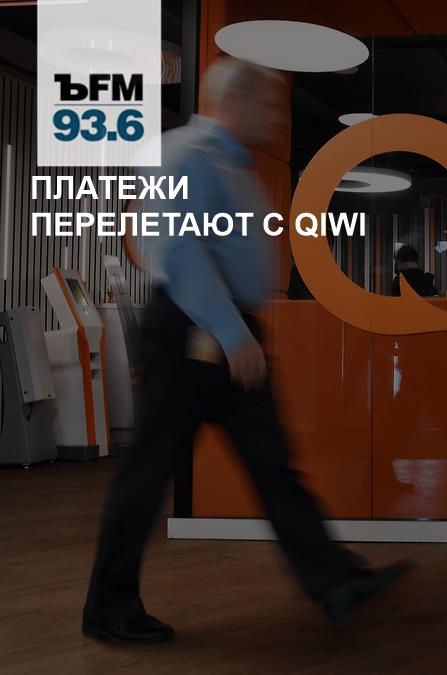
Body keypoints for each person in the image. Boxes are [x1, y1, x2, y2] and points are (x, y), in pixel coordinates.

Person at [82, 57, 410, 645]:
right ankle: (108, 606)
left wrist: (242, 330)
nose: (278, 118)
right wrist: (232, 333)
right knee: (149, 471)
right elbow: (180, 252)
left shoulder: (236, 167)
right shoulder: (184, 154)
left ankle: (334, 581)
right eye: (270, 105)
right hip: (194, 328)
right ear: (236, 102)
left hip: (227, 327)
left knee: (272, 462)